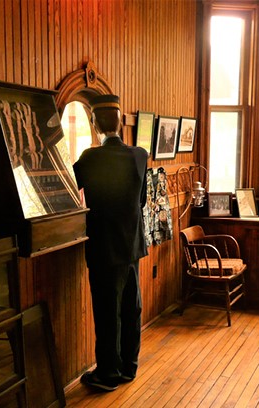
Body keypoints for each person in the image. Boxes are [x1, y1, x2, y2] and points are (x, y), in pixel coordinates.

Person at [73, 94, 149, 392]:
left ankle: (108, 374)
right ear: (121, 122)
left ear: (94, 124)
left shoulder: (89, 158)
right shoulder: (139, 155)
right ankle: (129, 367)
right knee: (132, 309)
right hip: (132, 246)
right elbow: (140, 201)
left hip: (104, 248)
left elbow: (68, 192)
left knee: (108, 313)